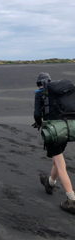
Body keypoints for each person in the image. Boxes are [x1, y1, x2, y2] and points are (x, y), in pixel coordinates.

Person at [34, 72, 75, 214]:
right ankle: (50, 184)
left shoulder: (40, 93)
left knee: (60, 163)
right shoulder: (61, 92)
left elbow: (37, 115)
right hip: (67, 128)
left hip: (53, 130)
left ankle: (72, 200)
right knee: (56, 159)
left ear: (38, 83)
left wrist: (38, 123)